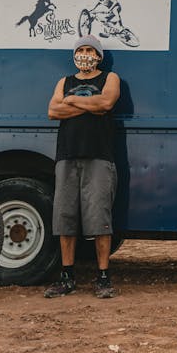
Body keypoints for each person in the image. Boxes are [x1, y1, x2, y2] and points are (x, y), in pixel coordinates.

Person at [44, 35, 122, 299]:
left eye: (90, 50)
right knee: (64, 217)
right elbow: (53, 111)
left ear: (98, 56)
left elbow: (106, 103)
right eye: (81, 50)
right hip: (66, 155)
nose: (85, 54)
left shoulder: (109, 78)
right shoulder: (64, 82)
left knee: (99, 218)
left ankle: (103, 278)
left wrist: (71, 101)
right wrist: (89, 105)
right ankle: (67, 277)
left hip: (99, 155)